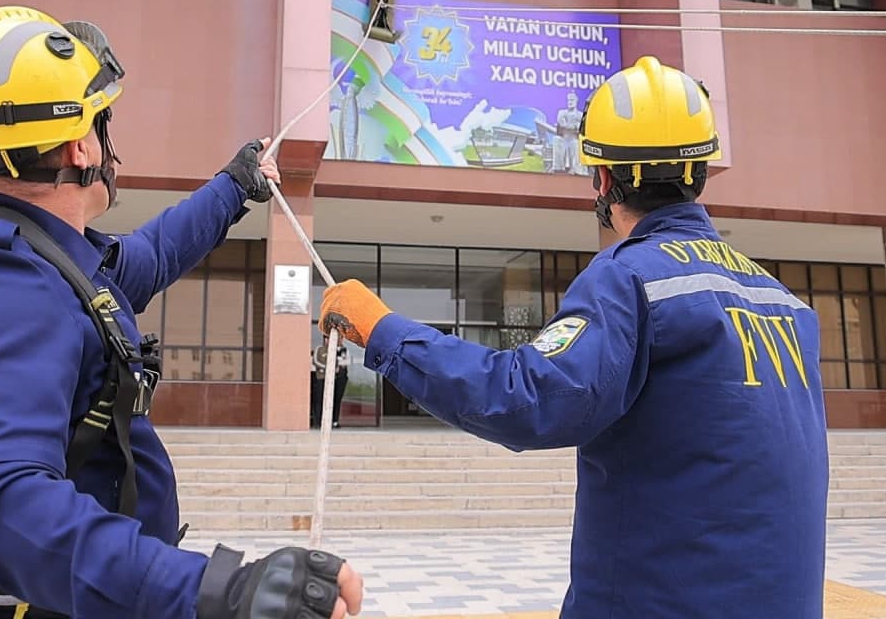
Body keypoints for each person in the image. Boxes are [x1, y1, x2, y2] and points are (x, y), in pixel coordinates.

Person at [0, 5, 363, 619]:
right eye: (102, 120)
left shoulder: (47, 261)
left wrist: (236, 184)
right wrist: (218, 592)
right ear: (82, 145)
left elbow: (155, 254)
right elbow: (5, 507)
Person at [319, 56, 830, 617]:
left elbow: (527, 398)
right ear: (701, 172)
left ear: (602, 179)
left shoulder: (629, 279)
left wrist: (384, 331)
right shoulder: (785, 303)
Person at [310, 342, 350, 428]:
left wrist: (337, 365)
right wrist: (328, 367)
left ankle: (334, 421)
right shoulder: (320, 349)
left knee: (335, 399)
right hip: (321, 377)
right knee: (319, 399)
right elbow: (315, 361)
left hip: (336, 377)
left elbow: (346, 362)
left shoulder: (343, 350)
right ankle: (318, 421)